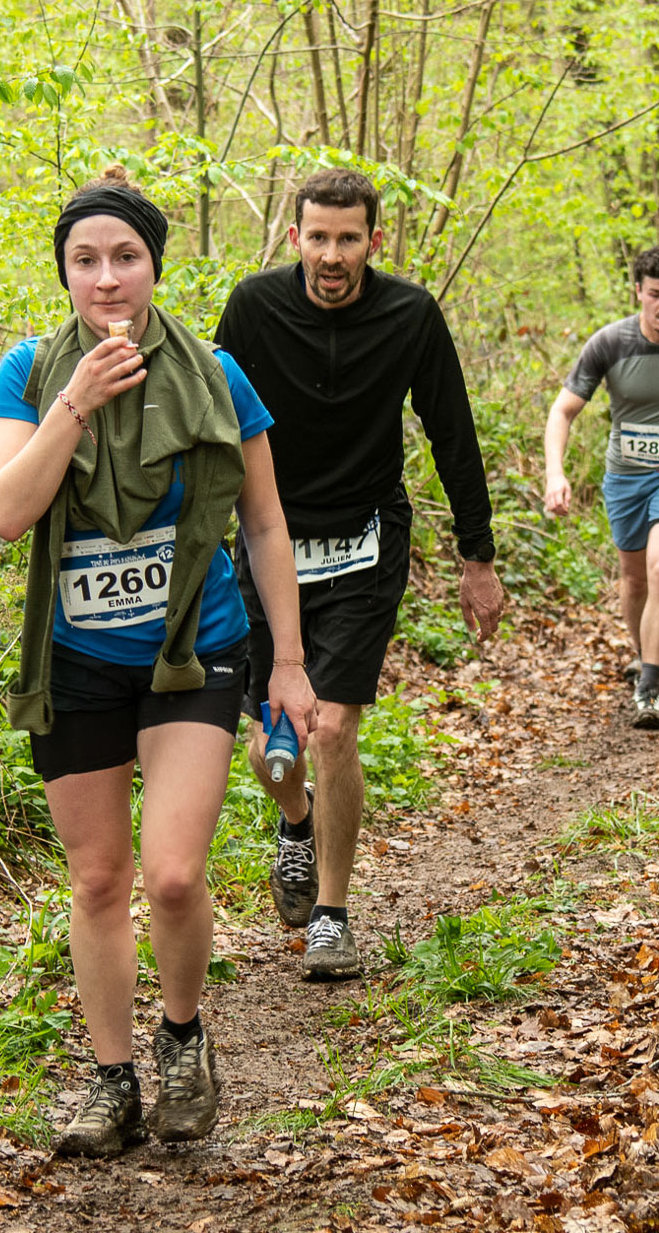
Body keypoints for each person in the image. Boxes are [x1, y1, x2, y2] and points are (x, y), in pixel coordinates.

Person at [0, 166, 317, 1158]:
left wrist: (289, 663)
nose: (106, 278)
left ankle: (182, 1039)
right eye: (84, 260)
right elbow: (7, 512)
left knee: (170, 874)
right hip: (76, 659)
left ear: (154, 267)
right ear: (63, 274)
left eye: (125, 257)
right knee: (97, 880)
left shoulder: (216, 375)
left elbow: (264, 523)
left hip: (194, 651)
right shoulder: (30, 373)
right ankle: (111, 1079)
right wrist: (74, 404)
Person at [215, 169, 503, 983]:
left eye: (348, 239)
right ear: (294, 237)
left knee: (334, 727)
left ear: (375, 241)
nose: (332, 255)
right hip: (268, 542)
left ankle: (332, 917)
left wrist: (477, 557)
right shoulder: (253, 307)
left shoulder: (410, 315)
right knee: (273, 748)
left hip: (365, 543)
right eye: (318, 237)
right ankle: (296, 822)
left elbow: (452, 433)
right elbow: (212, 423)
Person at [544, 244, 659, 726]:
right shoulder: (609, 343)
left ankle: (649, 684)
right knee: (634, 578)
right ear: (638, 291)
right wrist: (555, 473)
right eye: (656, 294)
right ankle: (648, 651)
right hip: (625, 476)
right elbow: (563, 411)